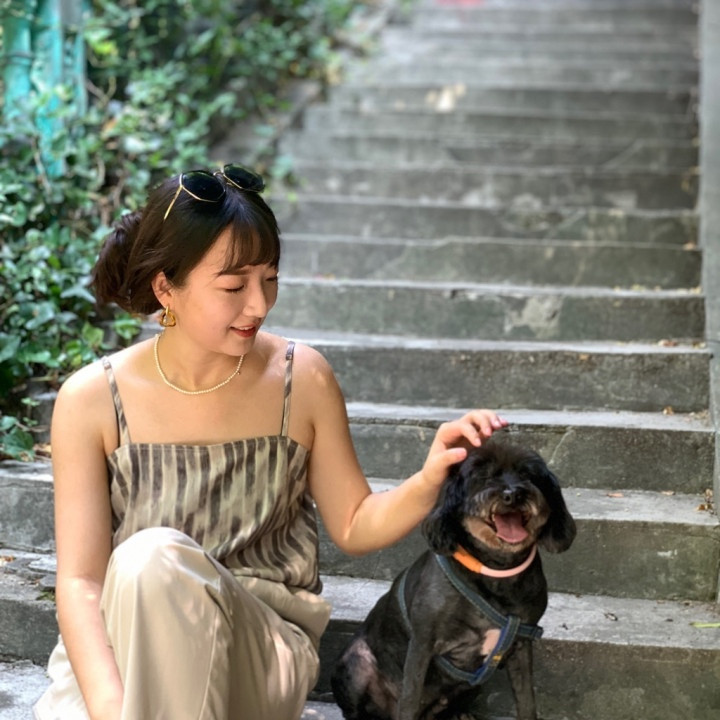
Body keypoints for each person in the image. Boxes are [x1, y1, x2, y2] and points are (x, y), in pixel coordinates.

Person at [33, 163, 508, 720]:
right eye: (234, 286)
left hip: (258, 651)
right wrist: (114, 707)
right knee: (145, 567)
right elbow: (82, 584)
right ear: (166, 288)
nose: (258, 304)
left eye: (270, 279)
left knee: (152, 558)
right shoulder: (91, 400)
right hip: (124, 655)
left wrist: (430, 479)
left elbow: (354, 523)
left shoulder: (300, 380)